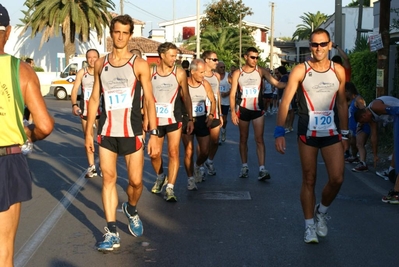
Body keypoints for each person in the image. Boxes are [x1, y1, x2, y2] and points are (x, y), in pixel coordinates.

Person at [85, 14, 160, 252]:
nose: (120, 36)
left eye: (125, 32)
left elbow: (149, 98)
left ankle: (131, 208)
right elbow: (94, 98)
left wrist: (155, 132)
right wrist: (88, 132)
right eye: (116, 32)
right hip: (107, 132)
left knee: (136, 183)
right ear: (111, 33)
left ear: (130, 35)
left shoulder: (138, 64)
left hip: (132, 132)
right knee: (108, 180)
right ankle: (111, 231)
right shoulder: (101, 64)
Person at [275, 28, 348, 244]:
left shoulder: (338, 71)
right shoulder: (301, 70)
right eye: (314, 45)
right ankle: (309, 226)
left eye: (323, 44)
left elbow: (342, 103)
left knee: (337, 178)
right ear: (310, 46)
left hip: (332, 132)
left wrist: (345, 135)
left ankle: (321, 211)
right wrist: (279, 132)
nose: (318, 48)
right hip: (307, 131)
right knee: (309, 178)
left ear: (329, 44)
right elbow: (285, 101)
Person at [0, 4, 54, 266]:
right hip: (6, 159)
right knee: (3, 250)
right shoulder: (21, 71)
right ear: (8, 32)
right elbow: (44, 125)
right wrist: (29, 134)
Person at [230, 47, 285, 180]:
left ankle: (262, 168)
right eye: (252, 57)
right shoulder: (238, 72)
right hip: (243, 109)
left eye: (257, 57)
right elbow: (232, 94)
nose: (255, 60)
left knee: (259, 139)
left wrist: (294, 83)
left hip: (257, 110)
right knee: (243, 139)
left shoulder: (261, 71)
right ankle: (244, 166)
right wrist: (233, 111)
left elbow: (277, 84)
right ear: (245, 57)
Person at [149, 42, 194, 202]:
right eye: (172, 56)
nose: (175, 59)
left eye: (176, 56)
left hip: (174, 118)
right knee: (155, 154)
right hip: (155, 120)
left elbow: (186, 97)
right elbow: (144, 96)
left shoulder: (179, 73)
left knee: (174, 152)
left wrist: (190, 118)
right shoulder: (151, 71)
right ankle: (161, 176)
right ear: (162, 56)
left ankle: (170, 188)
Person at [355, 96, 399, 204]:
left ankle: (396, 191)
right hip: (397, 120)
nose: (365, 123)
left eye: (363, 121)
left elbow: (394, 110)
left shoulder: (375, 106)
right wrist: (375, 155)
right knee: (397, 148)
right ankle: (391, 171)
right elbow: (374, 137)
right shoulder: (372, 119)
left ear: (364, 115)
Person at [181, 59, 215, 189]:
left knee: (205, 151)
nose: (203, 75)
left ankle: (197, 166)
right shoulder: (184, 85)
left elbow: (212, 100)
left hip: (201, 119)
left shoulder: (205, 84)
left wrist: (211, 114)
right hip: (187, 119)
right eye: (201, 72)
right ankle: (190, 179)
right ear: (192, 71)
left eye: (204, 72)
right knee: (189, 151)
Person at [71, 49, 101, 178]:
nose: (92, 60)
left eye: (95, 57)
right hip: (86, 111)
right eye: (89, 57)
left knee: (103, 140)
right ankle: (92, 166)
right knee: (88, 137)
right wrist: (74, 105)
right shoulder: (82, 73)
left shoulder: (102, 72)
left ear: (98, 58)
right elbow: (74, 90)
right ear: (86, 59)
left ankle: (105, 166)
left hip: (101, 111)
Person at [202, 50, 222, 176]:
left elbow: (217, 95)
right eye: (214, 60)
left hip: (214, 112)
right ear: (206, 60)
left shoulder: (217, 76)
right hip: (202, 112)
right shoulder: (199, 74)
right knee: (203, 143)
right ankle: (200, 166)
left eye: (217, 59)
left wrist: (219, 113)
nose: (217, 62)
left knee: (215, 141)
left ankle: (209, 161)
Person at [343, 82, 370, 172]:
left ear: (348, 91)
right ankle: (354, 157)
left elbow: (364, 112)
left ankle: (363, 163)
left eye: (344, 92)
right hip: (354, 128)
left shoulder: (359, 99)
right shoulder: (352, 100)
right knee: (353, 142)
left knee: (359, 144)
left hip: (361, 127)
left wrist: (360, 125)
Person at [216, 61, 231, 142]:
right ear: (217, 68)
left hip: (225, 101)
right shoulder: (214, 76)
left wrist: (227, 93)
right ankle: (217, 136)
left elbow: (233, 88)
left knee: (224, 120)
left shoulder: (228, 76)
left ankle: (223, 131)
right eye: (221, 67)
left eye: (224, 67)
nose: (223, 69)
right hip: (217, 102)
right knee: (217, 119)